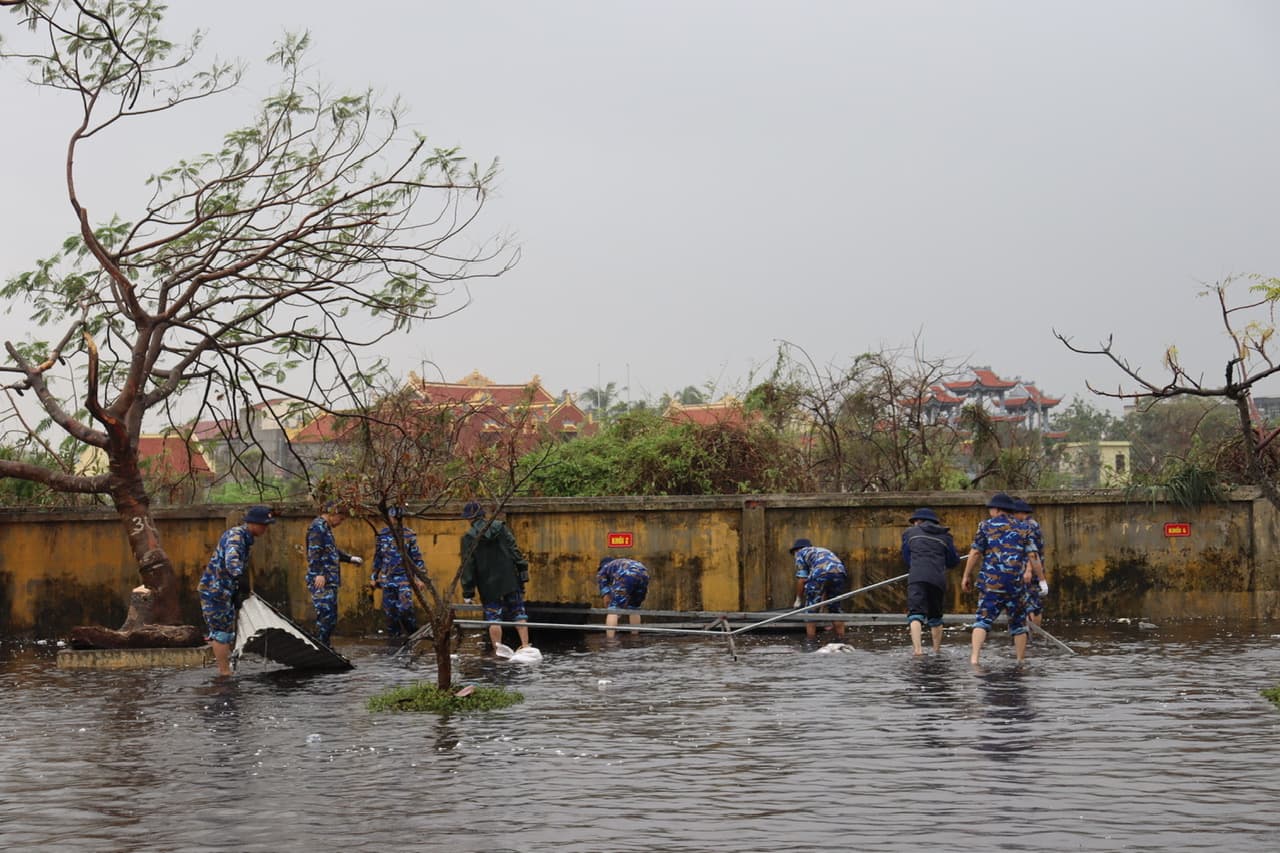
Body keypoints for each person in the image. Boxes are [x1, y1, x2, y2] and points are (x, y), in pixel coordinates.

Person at [960, 492, 1042, 666]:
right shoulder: (1024, 527)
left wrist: (966, 575)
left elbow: (975, 552)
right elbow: (1034, 556)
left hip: (991, 582)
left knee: (982, 620)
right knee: (1019, 624)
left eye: (991, 508)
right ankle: (1020, 660)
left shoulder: (985, 526)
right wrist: (1041, 580)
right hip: (1016, 584)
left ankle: (974, 660)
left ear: (996, 509)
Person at [198, 505, 275, 676]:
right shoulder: (236, 536)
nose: (265, 528)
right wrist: (240, 579)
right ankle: (224, 673)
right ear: (253, 523)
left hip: (225, 591)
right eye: (264, 524)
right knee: (221, 633)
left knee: (226, 631)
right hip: (215, 591)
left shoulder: (245, 538)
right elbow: (231, 559)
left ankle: (225, 668)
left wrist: (236, 590)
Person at [459, 500, 532, 651]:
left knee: (494, 617)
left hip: (487, 584)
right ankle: (525, 646)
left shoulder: (469, 536)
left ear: (470, 518)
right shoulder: (500, 527)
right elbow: (514, 549)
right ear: (483, 514)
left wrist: (468, 591)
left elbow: (468, 565)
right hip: (510, 579)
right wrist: (522, 569)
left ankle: (498, 650)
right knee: (519, 612)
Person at [901, 507, 960, 655]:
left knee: (915, 614)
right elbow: (953, 561)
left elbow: (906, 557)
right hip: (937, 579)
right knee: (936, 615)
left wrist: (916, 565)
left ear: (919, 521)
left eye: (915, 521)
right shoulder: (946, 537)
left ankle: (917, 651)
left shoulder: (909, 534)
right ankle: (936, 650)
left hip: (916, 577)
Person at [306, 501, 362, 647]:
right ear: (333, 513)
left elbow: (331, 552)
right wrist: (318, 573)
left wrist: (350, 558)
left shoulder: (325, 529)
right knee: (325, 616)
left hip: (329, 580)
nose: (341, 522)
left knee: (330, 617)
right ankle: (319, 647)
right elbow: (314, 552)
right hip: (321, 580)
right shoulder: (317, 527)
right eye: (341, 518)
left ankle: (324, 645)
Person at [370, 506, 424, 638]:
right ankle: (394, 639)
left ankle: (413, 634)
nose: (395, 520)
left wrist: (419, 578)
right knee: (390, 613)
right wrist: (373, 576)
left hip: (404, 578)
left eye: (397, 518)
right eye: (393, 517)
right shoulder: (382, 535)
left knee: (405, 609)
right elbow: (378, 557)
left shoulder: (409, 535)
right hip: (387, 578)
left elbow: (416, 558)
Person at [789, 537, 849, 640]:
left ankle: (811, 642)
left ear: (796, 550)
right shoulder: (822, 550)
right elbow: (827, 583)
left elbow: (802, 579)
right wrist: (822, 605)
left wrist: (798, 599)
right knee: (835, 608)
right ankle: (841, 639)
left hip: (820, 573)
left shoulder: (800, 553)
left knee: (811, 611)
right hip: (839, 573)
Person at [1012, 498, 1049, 635]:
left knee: (1030, 605)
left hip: (1030, 572)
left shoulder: (1028, 526)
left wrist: (1028, 570)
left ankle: (1031, 635)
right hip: (1034, 569)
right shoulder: (1032, 524)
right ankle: (1034, 636)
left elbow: (1031, 553)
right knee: (1034, 604)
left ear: (1020, 513)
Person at [597, 556, 650, 638]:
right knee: (634, 607)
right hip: (643, 573)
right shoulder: (620, 563)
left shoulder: (603, 570)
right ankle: (635, 637)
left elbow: (606, 598)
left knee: (613, 608)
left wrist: (614, 610)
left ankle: (610, 640)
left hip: (627, 573)